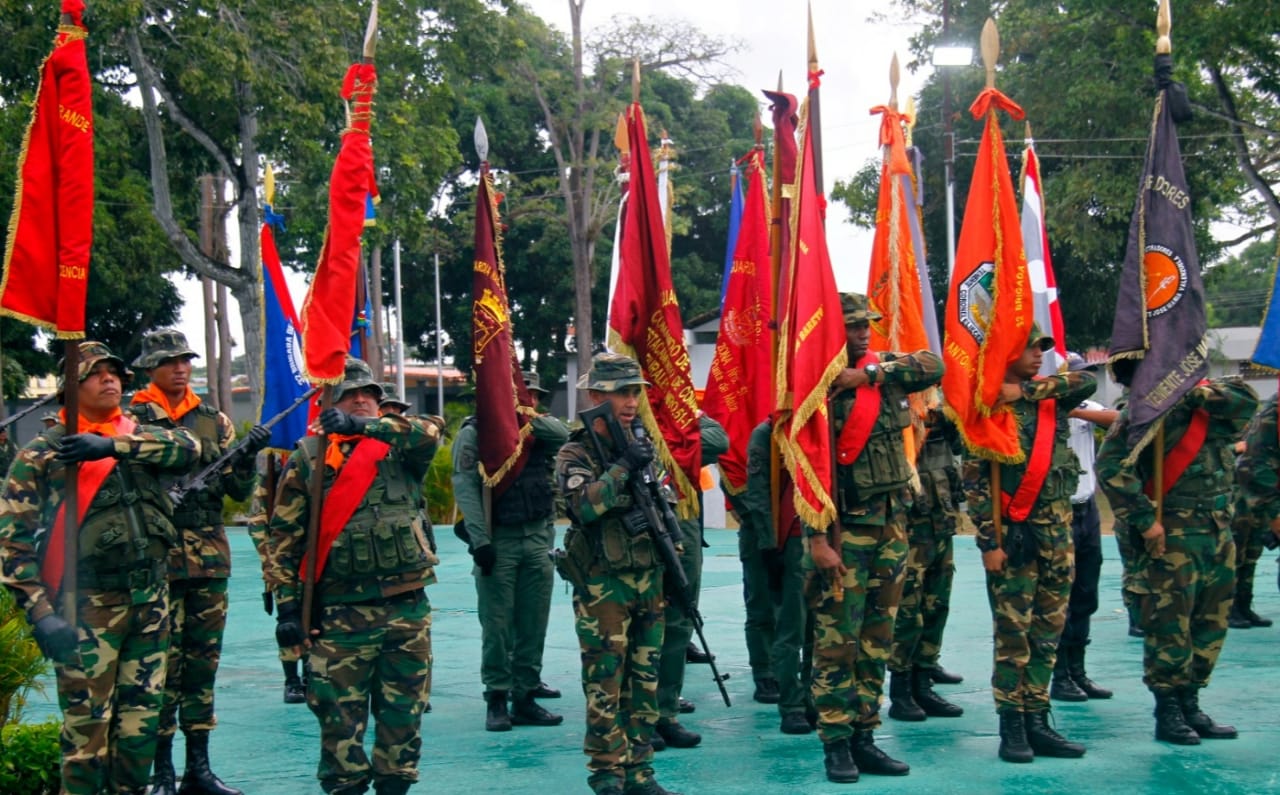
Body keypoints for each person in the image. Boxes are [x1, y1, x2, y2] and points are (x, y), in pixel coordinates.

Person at [0, 341, 199, 795]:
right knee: (87, 738)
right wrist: (41, 614)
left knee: (139, 734)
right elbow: (11, 545)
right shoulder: (42, 454)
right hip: (84, 608)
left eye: (114, 372)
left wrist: (111, 445)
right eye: (95, 373)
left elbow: (188, 447)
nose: (110, 379)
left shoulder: (139, 435)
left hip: (150, 604)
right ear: (70, 387)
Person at [267, 356, 443, 795]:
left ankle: (394, 784)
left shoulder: (399, 443)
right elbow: (284, 539)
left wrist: (363, 426)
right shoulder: (309, 458)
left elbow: (432, 431)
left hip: (406, 609)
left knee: (404, 716)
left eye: (370, 394)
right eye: (351, 394)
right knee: (338, 722)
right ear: (331, 402)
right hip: (339, 615)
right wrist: (287, 606)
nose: (363, 399)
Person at [806, 292, 942, 783]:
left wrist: (867, 375)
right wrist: (817, 539)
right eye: (854, 325)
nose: (864, 332)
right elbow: (808, 469)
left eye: (868, 324)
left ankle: (865, 735)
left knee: (877, 641)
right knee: (837, 642)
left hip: (891, 528)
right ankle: (836, 743)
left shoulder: (883, 369)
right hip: (846, 533)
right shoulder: (814, 383)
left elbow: (934, 365)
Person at [127, 329, 270, 795]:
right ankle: (161, 771)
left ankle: (199, 770)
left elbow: (236, 493)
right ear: (150, 368)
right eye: (170, 361)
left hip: (208, 559)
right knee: (159, 666)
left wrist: (247, 459)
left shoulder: (214, 420)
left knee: (202, 664)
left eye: (185, 359)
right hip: (155, 559)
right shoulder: (131, 419)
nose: (181, 367)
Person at [1097, 364, 1256, 746]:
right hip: (1172, 537)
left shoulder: (1210, 405)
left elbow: (1247, 402)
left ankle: (1191, 701)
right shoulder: (1142, 413)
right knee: (1170, 626)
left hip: (1217, 533)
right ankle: (1167, 709)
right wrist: (1144, 520)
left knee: (1211, 624)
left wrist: (1192, 392)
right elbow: (1111, 467)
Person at [964, 329, 1094, 764]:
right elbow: (977, 485)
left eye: (1043, 348)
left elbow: (1086, 382)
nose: (1039, 355)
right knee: (1013, 640)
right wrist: (988, 542)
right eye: (1030, 348)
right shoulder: (989, 408)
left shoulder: (1047, 398)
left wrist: (1023, 390)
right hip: (1015, 542)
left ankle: (1038, 719)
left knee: (1046, 637)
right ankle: (1012, 727)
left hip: (1058, 542)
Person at [554, 352, 679, 795]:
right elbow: (584, 506)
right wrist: (623, 468)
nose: (630, 402)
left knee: (645, 682)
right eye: (621, 393)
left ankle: (640, 771)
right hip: (602, 586)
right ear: (595, 397)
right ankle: (607, 773)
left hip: (648, 580)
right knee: (606, 682)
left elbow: (667, 501)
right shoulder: (577, 450)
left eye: (634, 393)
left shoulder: (643, 443)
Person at [452, 371, 567, 731]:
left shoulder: (536, 433)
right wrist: (479, 541)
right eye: (518, 394)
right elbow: (467, 489)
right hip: (497, 540)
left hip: (536, 539)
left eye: (530, 395)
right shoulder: (476, 433)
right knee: (498, 625)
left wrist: (524, 418)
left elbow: (563, 435)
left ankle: (526, 694)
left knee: (534, 622)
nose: (526, 399)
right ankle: (497, 696)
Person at [652, 412, 727, 750]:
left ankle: (666, 712)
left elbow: (718, 440)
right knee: (641, 628)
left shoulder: (677, 410)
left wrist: (666, 432)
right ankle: (638, 716)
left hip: (682, 521)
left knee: (679, 622)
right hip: (636, 534)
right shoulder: (613, 420)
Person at [886, 405, 965, 722]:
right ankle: (901, 691)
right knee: (908, 612)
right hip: (910, 528)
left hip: (941, 522)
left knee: (936, 605)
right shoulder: (894, 411)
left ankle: (924, 679)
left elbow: (962, 444)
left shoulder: (943, 413)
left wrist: (946, 415)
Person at [737, 416, 815, 735]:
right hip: (781, 536)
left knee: (819, 627)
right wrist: (770, 546)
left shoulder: (821, 423)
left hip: (817, 535)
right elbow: (758, 494)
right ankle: (790, 702)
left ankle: (814, 697)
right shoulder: (768, 432)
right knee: (785, 623)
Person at [1050, 352, 1118, 703]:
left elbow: (1119, 419)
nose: (1082, 381)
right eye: (1075, 376)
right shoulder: (1044, 409)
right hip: (1058, 511)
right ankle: (1059, 675)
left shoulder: (1086, 406)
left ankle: (1078, 671)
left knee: (1085, 596)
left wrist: (1076, 411)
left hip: (1087, 511)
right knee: (1059, 596)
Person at [246, 447, 307, 704]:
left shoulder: (313, 468)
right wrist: (271, 561)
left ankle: (312, 674)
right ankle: (292, 679)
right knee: (288, 620)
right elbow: (258, 521)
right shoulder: (271, 476)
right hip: (281, 558)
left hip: (313, 556)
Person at [1228, 395, 1279, 629]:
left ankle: (1243, 606)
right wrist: (1274, 513)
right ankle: (1229, 609)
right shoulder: (1273, 415)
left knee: (1252, 553)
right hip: (1249, 490)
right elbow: (1255, 464)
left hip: (1266, 488)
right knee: (1237, 551)